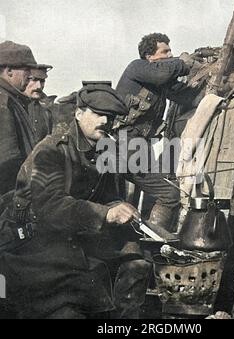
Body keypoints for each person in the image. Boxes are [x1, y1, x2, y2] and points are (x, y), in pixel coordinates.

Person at [0, 82, 151, 319]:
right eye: (99, 114)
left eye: (110, 117)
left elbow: (106, 195)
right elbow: (50, 207)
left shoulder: (104, 151)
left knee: (137, 263)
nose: (105, 121)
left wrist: (116, 205)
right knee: (70, 304)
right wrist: (106, 214)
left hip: (76, 234)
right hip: (32, 241)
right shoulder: (51, 149)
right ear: (79, 113)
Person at [116, 33, 198, 231]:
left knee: (147, 192)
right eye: (165, 51)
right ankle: (154, 241)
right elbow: (161, 74)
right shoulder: (137, 67)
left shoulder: (160, 83)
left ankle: (139, 238)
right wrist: (182, 63)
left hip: (137, 147)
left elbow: (186, 97)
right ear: (149, 56)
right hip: (121, 145)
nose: (170, 54)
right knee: (169, 193)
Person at [0, 40, 52, 196]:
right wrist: (17, 201)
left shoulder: (13, 100)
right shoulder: (4, 102)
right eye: (27, 70)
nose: (31, 76)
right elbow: (7, 162)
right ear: (9, 71)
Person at [23, 66, 54, 142]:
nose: (39, 86)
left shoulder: (47, 109)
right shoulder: (9, 105)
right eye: (34, 80)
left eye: (42, 81)